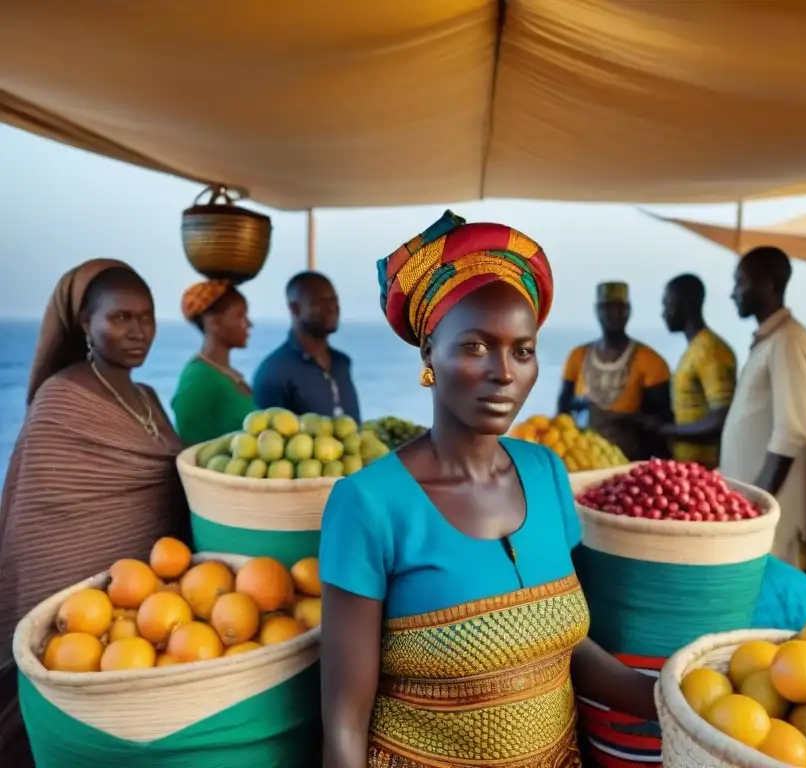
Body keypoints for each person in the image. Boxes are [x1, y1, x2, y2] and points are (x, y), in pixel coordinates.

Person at [319, 211, 658, 767]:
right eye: (477, 346)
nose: (505, 372)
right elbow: (344, 727)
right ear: (429, 354)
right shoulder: (368, 505)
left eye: (522, 350)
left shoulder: (547, 474)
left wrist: (672, 699)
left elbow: (564, 649)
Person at [0, 260, 189, 766]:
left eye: (146, 318)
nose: (138, 332)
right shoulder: (61, 398)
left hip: (146, 605)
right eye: (121, 318)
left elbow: (165, 483)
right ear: (86, 322)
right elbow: (44, 526)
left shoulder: (148, 396)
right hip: (78, 612)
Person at [720, 246, 806, 570]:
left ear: (768, 284)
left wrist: (758, 504)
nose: (733, 293)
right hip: (753, 511)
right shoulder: (772, 340)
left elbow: (793, 431)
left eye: (741, 282)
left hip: (771, 514)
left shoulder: (789, 341)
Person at [557, 282, 672, 460]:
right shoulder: (577, 357)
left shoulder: (651, 361)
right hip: (582, 459)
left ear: (629, 311)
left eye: (619, 307)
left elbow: (661, 423)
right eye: (606, 307)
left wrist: (624, 419)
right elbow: (562, 412)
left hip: (630, 461)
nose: (613, 314)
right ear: (597, 310)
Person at [252, 272, 360, 422]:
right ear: (295, 308)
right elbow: (267, 439)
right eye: (319, 302)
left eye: (333, 300)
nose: (331, 308)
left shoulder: (342, 363)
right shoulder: (275, 373)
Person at [658, 273, 737, 468]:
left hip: (708, 470)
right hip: (689, 469)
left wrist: (667, 430)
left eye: (667, 304)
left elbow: (721, 419)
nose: (664, 313)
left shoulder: (710, 351)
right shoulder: (694, 350)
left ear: (684, 305)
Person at [171, 280, 255, 445]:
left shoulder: (225, 373)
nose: (249, 324)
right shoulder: (199, 380)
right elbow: (187, 450)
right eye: (240, 315)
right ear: (213, 323)